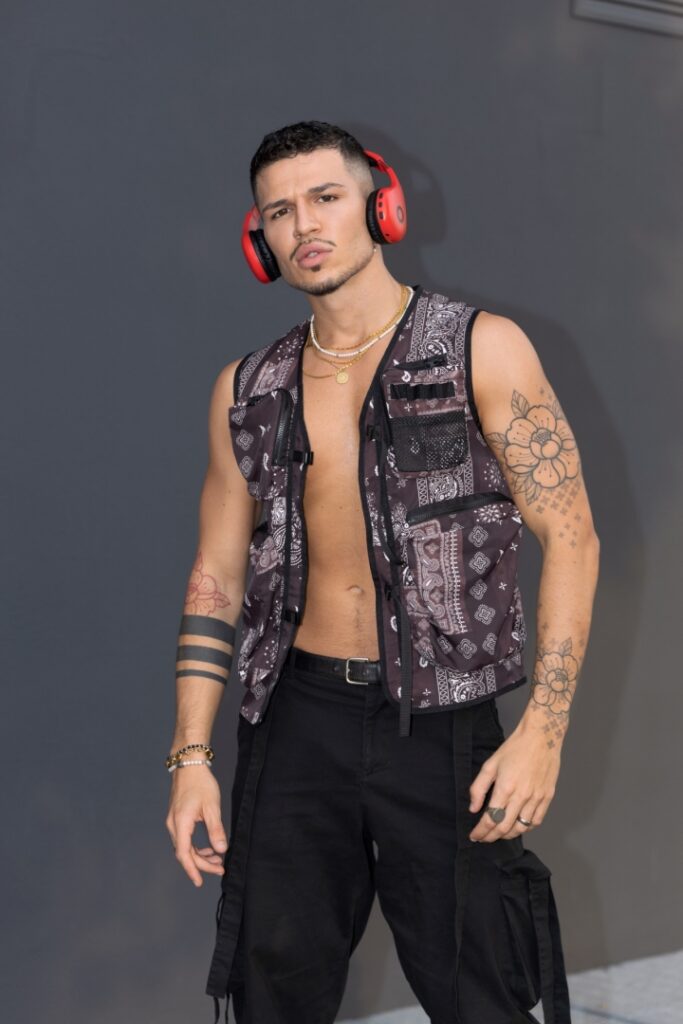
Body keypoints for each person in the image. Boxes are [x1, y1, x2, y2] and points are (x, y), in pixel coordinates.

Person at [165, 120, 600, 1024]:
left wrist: (545, 731)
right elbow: (215, 576)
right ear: (259, 240)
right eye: (278, 212)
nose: (303, 225)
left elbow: (572, 539)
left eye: (325, 197)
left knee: (482, 990)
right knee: (272, 993)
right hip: (295, 721)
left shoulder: (482, 348)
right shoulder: (247, 390)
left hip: (441, 724)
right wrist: (192, 755)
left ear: (380, 204)